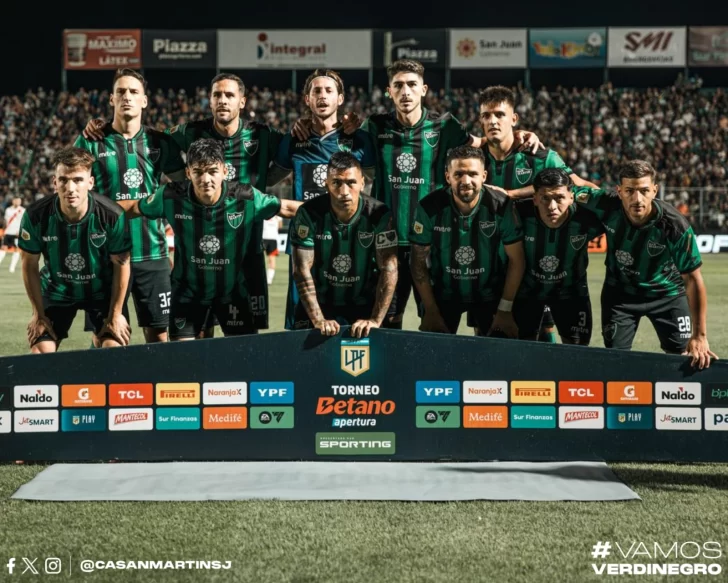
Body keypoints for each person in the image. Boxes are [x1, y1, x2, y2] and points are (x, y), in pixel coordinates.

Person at [84, 73, 287, 332]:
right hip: (197, 256)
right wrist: (104, 127)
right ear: (209, 101)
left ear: (243, 101)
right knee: (198, 338)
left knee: (244, 341)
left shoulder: (264, 135)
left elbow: (294, 151)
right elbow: (150, 138)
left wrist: (266, 181)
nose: (223, 100)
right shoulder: (189, 132)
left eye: (229, 95)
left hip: (245, 254)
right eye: (217, 95)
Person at [353, 61, 540, 330]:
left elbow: (480, 143)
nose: (405, 91)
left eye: (412, 85)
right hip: (387, 240)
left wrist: (518, 133)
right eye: (398, 85)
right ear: (389, 91)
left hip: (432, 243)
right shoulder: (374, 125)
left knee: (436, 323)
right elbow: (342, 141)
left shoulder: (444, 125)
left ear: (423, 89)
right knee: (388, 322)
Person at [125, 139, 301, 340]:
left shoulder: (245, 197)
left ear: (225, 171)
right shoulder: (171, 196)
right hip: (187, 293)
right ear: (188, 173)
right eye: (198, 172)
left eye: (212, 171)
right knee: (184, 356)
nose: (205, 179)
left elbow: (287, 208)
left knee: (241, 354)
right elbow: (133, 208)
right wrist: (97, 209)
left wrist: (328, 208)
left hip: (233, 293)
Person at [476, 85, 600, 343]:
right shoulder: (474, 159)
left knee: (543, 335)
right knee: (488, 338)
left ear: (514, 118)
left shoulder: (540, 156)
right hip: (488, 267)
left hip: (531, 270)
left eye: (499, 114)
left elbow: (578, 186)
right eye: (486, 115)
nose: (493, 121)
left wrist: (511, 194)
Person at [74, 68, 186, 346]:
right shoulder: (90, 141)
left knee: (160, 339)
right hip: (105, 257)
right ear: (111, 99)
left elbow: (185, 190)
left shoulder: (161, 143)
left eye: (134, 92)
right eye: (121, 91)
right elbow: (71, 192)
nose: (127, 96)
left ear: (144, 101)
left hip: (153, 254)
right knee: (108, 339)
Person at [575, 159, 717, 369]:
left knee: (683, 357)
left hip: (667, 295)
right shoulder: (606, 203)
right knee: (615, 360)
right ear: (619, 191)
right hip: (620, 295)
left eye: (644, 190)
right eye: (629, 191)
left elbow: (693, 279)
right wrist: (545, 153)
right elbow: (562, 188)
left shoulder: (675, 225)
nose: (637, 199)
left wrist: (700, 336)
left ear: (654, 190)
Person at [268, 69, 377, 330]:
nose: (322, 96)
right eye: (316, 91)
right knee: (302, 329)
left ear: (340, 99)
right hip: (305, 242)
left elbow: (377, 180)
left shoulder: (359, 139)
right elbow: (268, 178)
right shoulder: (294, 140)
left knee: (352, 330)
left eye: (329, 91)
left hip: (349, 242)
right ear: (307, 99)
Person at [18, 147, 131, 353]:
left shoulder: (112, 215)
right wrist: (38, 315)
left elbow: (122, 265)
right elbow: (29, 264)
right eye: (63, 180)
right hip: (57, 290)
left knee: (113, 350)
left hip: (101, 292)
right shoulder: (35, 216)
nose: (70, 188)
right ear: (55, 183)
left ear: (90, 182)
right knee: (40, 352)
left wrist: (116, 314)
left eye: (78, 180)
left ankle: (98, 339)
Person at [409, 145, 525, 336]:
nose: (466, 181)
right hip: (444, 294)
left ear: (484, 176)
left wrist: (505, 309)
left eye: (472, 174)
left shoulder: (501, 206)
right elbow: (417, 260)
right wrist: (430, 309)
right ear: (448, 177)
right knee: (437, 351)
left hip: (489, 294)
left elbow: (517, 259)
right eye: (458, 174)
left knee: (495, 350)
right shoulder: (429, 207)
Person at [289, 152, 397, 338]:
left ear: (362, 183)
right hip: (320, 303)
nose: (344, 191)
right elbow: (301, 270)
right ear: (326, 184)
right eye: (336, 183)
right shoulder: (308, 213)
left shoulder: (379, 214)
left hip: (364, 304)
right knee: (304, 355)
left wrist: (374, 320)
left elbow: (389, 268)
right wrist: (319, 320)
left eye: (351, 182)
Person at [512, 169, 604, 344]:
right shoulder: (518, 214)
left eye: (560, 198)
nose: (552, 206)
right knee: (522, 350)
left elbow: (612, 203)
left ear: (571, 197)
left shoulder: (587, 218)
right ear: (535, 199)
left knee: (576, 351)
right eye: (545, 198)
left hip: (572, 293)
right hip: (528, 292)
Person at [0, 196, 25, 273]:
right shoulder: (8, 210)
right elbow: (5, 221)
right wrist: (4, 231)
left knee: (16, 250)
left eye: (19, 201)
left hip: (16, 233)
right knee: (3, 248)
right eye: (16, 201)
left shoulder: (22, 210)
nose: (18, 202)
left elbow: (24, 222)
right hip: (8, 232)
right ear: (13, 201)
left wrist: (21, 231)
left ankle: (12, 267)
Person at [262, 215, 282, 285]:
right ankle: (266, 279)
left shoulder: (278, 215)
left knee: (271, 259)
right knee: (261, 258)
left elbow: (280, 226)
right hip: (264, 237)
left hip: (271, 238)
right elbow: (280, 226)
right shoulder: (265, 212)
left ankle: (269, 279)